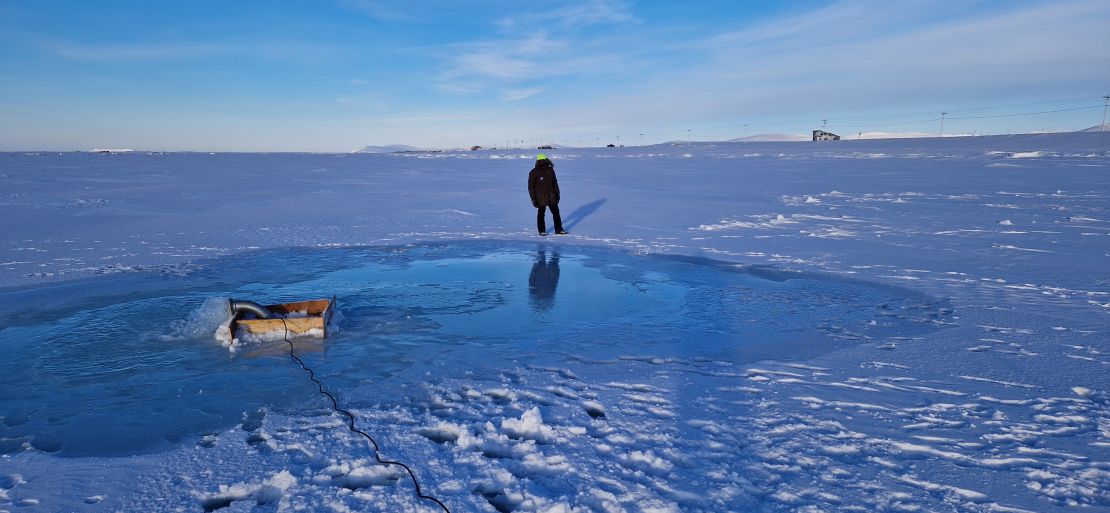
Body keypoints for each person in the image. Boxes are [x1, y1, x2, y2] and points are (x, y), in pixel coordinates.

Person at [527, 154, 566, 236]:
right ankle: (542, 231)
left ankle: (559, 229)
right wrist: (533, 199)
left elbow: (555, 183)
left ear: (546, 160)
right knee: (541, 213)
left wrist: (557, 193)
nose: (542, 162)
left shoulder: (550, 170)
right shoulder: (534, 172)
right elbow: (531, 187)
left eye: (543, 160)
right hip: (540, 197)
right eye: (540, 160)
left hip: (551, 196)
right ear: (537, 161)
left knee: (556, 213)